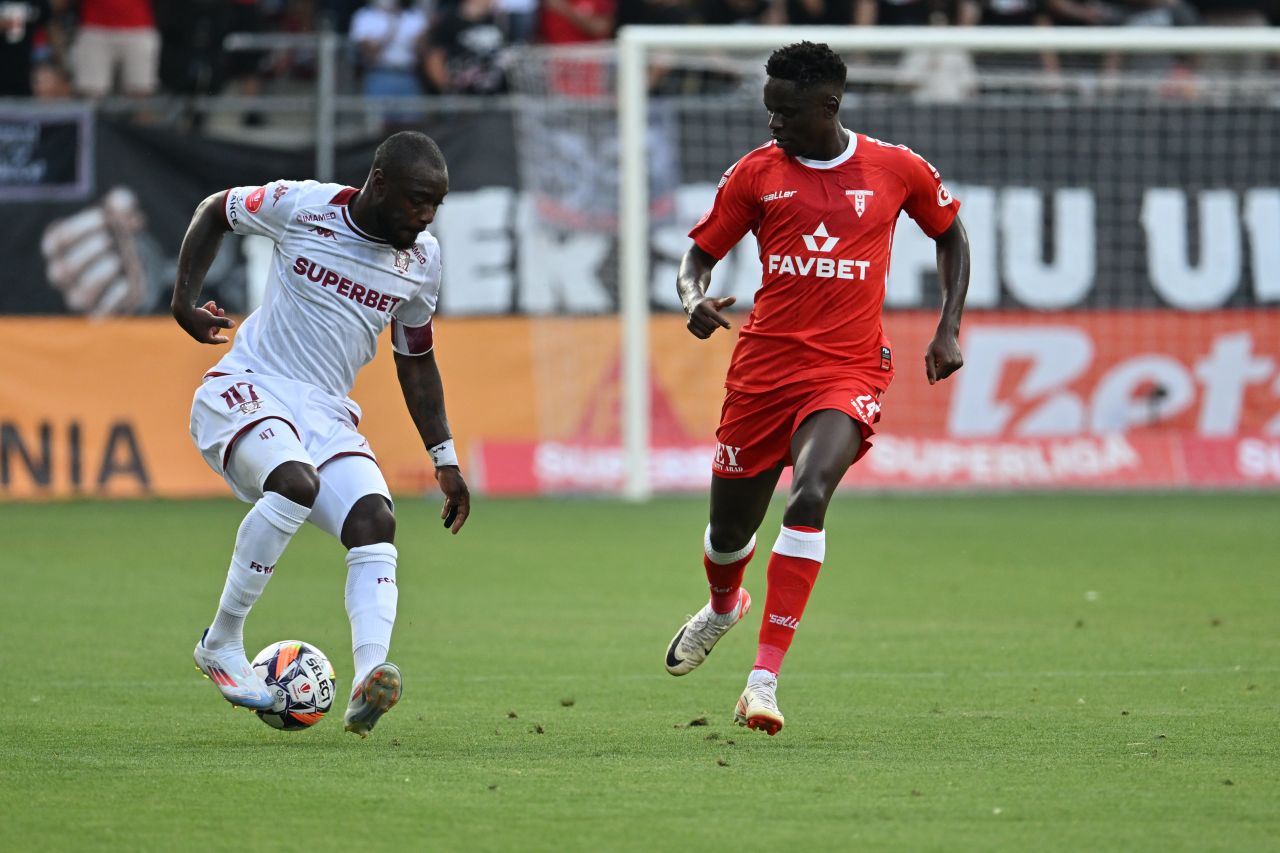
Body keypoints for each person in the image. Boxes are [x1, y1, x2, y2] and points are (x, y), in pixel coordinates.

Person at [663, 42, 970, 736]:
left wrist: (948, 329)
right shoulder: (755, 173)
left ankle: (762, 681)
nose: (773, 124)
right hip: (762, 375)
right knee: (726, 534)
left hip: (848, 371)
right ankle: (721, 607)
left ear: (827, 106)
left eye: (786, 111)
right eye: (769, 110)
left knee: (809, 495)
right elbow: (698, 256)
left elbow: (952, 235)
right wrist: (692, 298)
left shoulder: (895, 168)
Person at [172, 131, 471, 738]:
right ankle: (222, 641)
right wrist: (183, 303)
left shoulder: (423, 260)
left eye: (435, 204)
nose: (426, 215)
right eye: (417, 200)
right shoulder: (304, 206)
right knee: (294, 483)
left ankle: (369, 676)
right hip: (249, 387)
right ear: (378, 184)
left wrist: (445, 458)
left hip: (325, 412)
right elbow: (215, 210)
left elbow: (415, 359)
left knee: (374, 521)